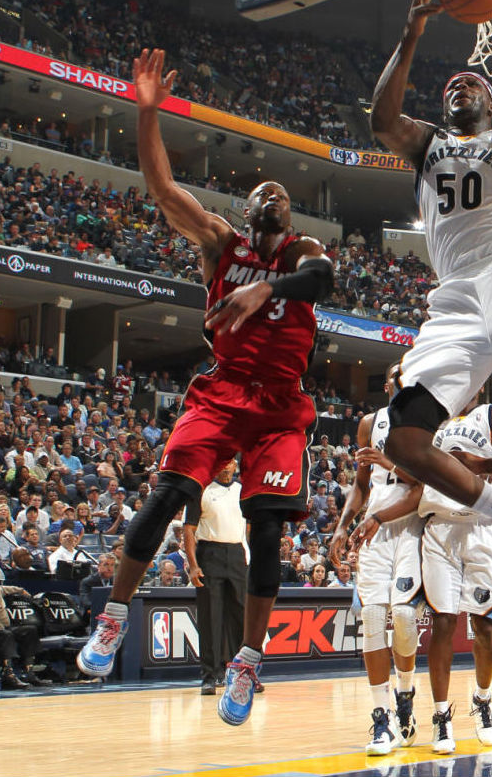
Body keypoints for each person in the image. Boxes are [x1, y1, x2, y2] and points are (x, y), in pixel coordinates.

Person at [76, 49, 333, 728]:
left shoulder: (301, 253)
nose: (271, 197)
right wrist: (147, 114)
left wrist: (264, 291)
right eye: (261, 193)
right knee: (166, 497)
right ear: (247, 210)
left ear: (289, 212)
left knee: (268, 531)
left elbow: (321, 282)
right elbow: (163, 191)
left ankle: (246, 661)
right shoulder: (221, 243)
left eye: (281, 194)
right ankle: (111, 619)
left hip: (279, 408)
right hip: (221, 393)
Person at [370, 0, 492, 524]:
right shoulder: (428, 142)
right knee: (405, 439)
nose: (459, 86)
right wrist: (410, 33)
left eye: (472, 84)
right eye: (451, 85)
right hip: (453, 301)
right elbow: (381, 121)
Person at [330, 364, 423, 757]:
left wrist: (391, 465)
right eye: (396, 377)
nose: (401, 382)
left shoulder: (425, 425)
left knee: (403, 618)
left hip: (410, 529)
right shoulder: (369, 423)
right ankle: (381, 718)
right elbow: (360, 485)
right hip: (372, 531)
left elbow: (422, 487)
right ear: (387, 385)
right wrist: (340, 525)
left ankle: (405, 690)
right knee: (370, 622)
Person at [418, 399, 492, 753]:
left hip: (483, 524)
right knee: (443, 623)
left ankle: (482, 699)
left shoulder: (491, 417)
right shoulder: (427, 421)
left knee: (484, 627)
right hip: (439, 527)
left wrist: (481, 464)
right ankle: (440, 715)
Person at [183, 459, 248, 695]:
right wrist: (193, 565)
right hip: (209, 553)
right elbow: (188, 529)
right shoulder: (200, 490)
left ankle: (243, 673)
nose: (225, 468)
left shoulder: (243, 490)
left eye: (229, 463)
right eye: (220, 464)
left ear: (235, 465)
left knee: (241, 617)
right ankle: (210, 676)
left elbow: (247, 526)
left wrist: (248, 553)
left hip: (237, 554)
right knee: (211, 617)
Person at [0, 560, 49, 688]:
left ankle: (28, 671)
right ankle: (8, 673)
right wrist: (5, 629)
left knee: (29, 630)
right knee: (6, 634)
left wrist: (20, 590)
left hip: (2, 629)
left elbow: (5, 589)